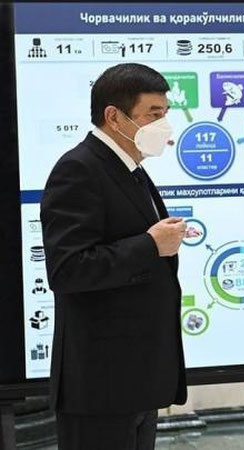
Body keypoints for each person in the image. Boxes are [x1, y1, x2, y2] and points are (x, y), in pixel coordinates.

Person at [41, 63, 188, 450]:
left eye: (165, 113)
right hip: (100, 383)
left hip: (137, 378)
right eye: (153, 114)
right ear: (114, 116)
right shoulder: (79, 168)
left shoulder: (131, 169)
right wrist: (150, 245)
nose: (164, 125)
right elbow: (68, 269)